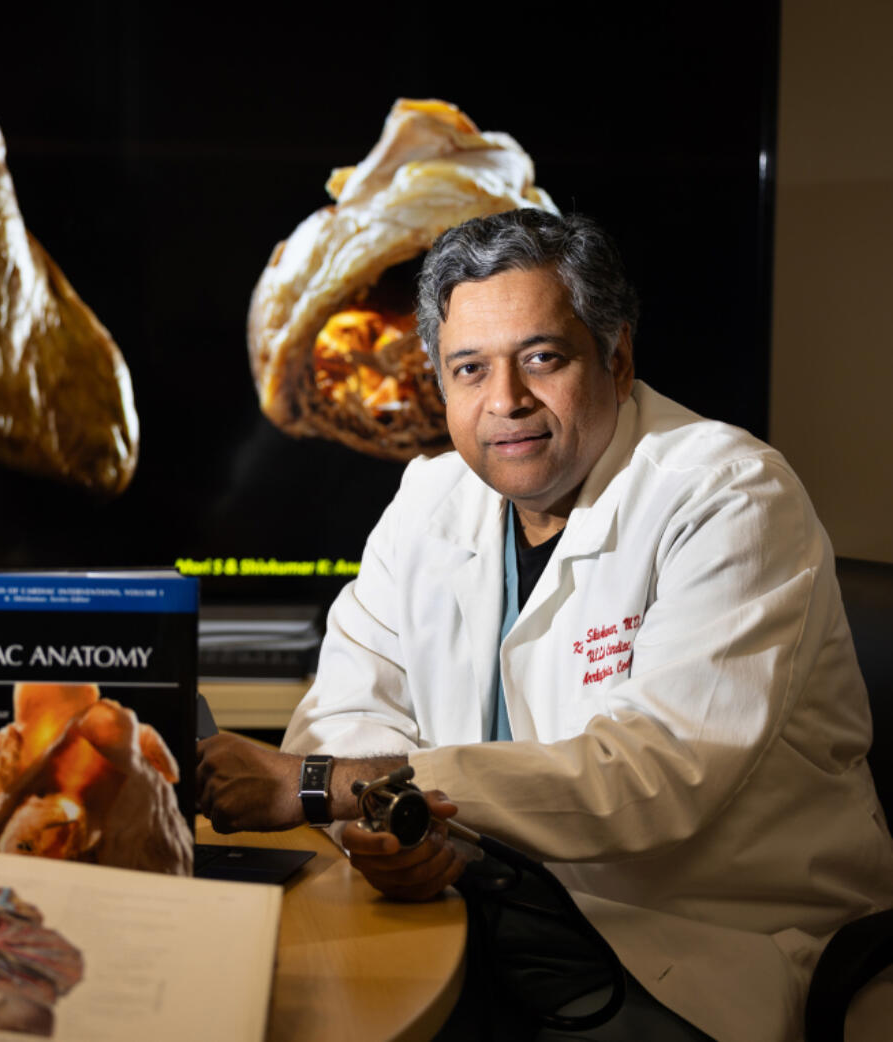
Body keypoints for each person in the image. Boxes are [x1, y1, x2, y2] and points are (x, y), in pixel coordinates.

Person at [196, 209, 893, 1041]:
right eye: (469, 369)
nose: (506, 403)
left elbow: (648, 779)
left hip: (691, 951)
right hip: (475, 913)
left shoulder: (729, 496)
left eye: (541, 359)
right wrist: (388, 829)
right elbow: (347, 709)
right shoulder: (428, 500)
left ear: (617, 355)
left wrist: (325, 786)